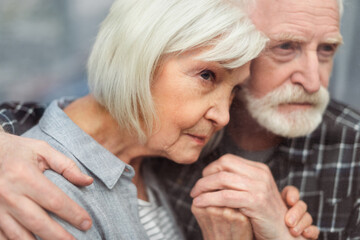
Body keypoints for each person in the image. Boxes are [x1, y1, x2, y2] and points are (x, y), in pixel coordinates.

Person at [0, 0, 348, 239]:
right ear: (139, 57)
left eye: (232, 92)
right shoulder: (38, 194)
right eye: (208, 76)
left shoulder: (147, 162)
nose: (223, 116)